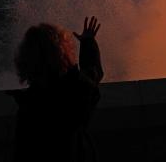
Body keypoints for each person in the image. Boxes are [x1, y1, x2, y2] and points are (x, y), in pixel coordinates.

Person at [12, 16, 103, 162]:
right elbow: (92, 74)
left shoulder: (29, 105)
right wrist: (87, 42)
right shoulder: (75, 94)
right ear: (63, 52)